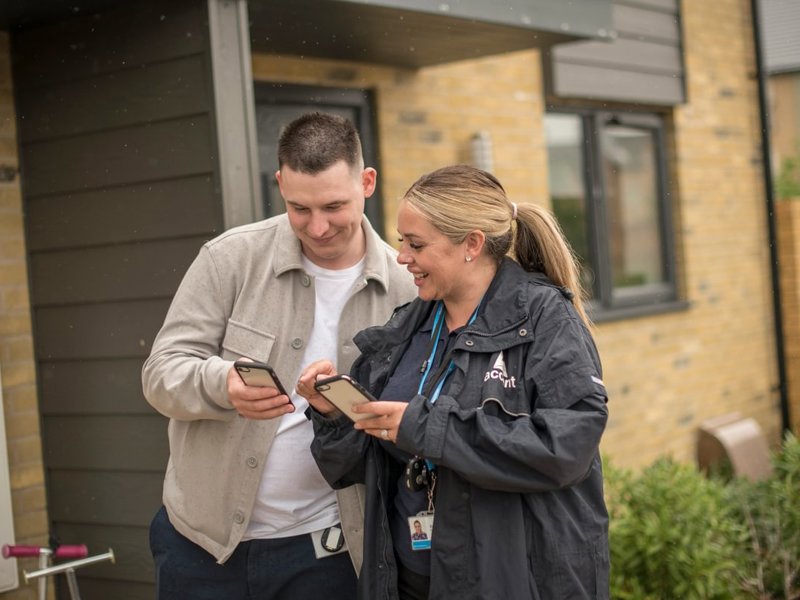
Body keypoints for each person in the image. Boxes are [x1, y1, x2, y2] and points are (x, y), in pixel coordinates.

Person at [297, 164, 610, 600]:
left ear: (472, 244)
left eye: (416, 244)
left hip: (516, 583)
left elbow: (567, 448)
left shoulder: (543, 319)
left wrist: (425, 429)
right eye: (402, 241)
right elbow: (357, 467)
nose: (402, 255)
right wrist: (334, 415)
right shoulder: (410, 325)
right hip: (410, 582)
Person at [141, 112, 417, 599]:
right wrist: (219, 383)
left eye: (334, 206)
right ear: (280, 184)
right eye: (299, 208)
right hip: (201, 547)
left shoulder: (407, 285)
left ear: (367, 181)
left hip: (329, 554)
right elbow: (161, 373)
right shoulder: (230, 258)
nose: (318, 227)